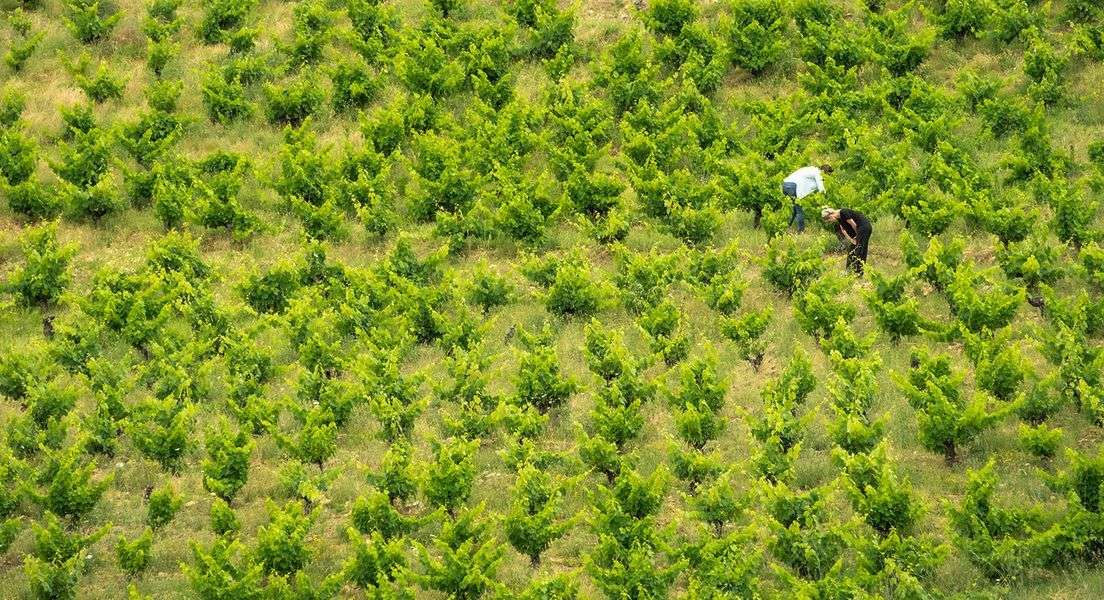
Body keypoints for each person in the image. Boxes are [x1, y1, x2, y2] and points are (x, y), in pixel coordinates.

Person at [782, 164, 832, 233]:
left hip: (785, 184)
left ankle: (785, 228)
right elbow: (821, 189)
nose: (827, 177)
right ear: (824, 171)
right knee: (799, 211)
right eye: (827, 174)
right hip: (792, 186)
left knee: (795, 209)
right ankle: (801, 232)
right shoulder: (818, 172)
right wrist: (826, 202)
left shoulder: (811, 169)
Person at [822, 207, 872, 276]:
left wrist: (857, 237)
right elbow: (844, 231)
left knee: (860, 249)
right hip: (858, 230)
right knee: (851, 249)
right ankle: (848, 271)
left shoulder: (843, 212)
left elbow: (853, 225)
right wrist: (852, 240)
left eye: (829, 220)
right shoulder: (839, 219)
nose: (831, 222)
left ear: (830, 215)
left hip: (863, 227)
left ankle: (858, 273)